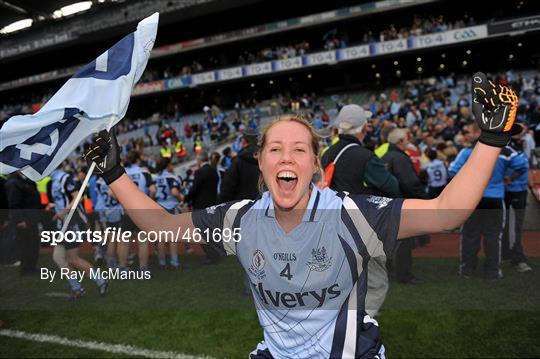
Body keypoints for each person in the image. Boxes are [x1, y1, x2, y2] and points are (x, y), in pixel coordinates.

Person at [84, 72, 519, 358]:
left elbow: (446, 213)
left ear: (315, 165)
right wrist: (113, 172)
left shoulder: (352, 214)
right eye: (275, 149)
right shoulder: (240, 220)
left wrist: (492, 138)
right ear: (262, 163)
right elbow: (161, 227)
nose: (285, 157)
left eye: (299, 149)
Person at [321, 104, 400, 316]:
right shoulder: (364, 156)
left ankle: (341, 321)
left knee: (344, 279)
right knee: (376, 282)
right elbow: (391, 186)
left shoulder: (328, 154)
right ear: (364, 128)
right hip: (361, 225)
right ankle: (356, 326)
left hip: (332, 224)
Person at [502, 126, 531, 272]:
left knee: (510, 225)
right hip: (513, 190)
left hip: (517, 189)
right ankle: (517, 258)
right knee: (514, 226)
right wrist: (511, 178)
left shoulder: (517, 145)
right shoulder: (508, 147)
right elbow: (521, 167)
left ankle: (507, 254)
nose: (522, 133)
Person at [4, 172, 42, 275]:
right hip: (24, 219)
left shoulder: (25, 180)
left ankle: (31, 267)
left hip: (31, 217)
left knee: (33, 243)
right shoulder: (13, 182)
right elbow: (14, 204)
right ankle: (27, 269)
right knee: (27, 244)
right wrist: (20, 220)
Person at [154, 157, 183, 269]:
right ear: (168, 165)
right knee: (172, 238)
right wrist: (182, 198)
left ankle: (162, 263)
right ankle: (174, 263)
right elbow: (174, 192)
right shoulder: (171, 177)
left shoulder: (155, 177)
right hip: (170, 206)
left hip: (158, 207)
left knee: (160, 237)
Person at [217, 128, 260, 203]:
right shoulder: (266, 157)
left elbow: (226, 190)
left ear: (243, 141)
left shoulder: (237, 162)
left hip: (243, 207)